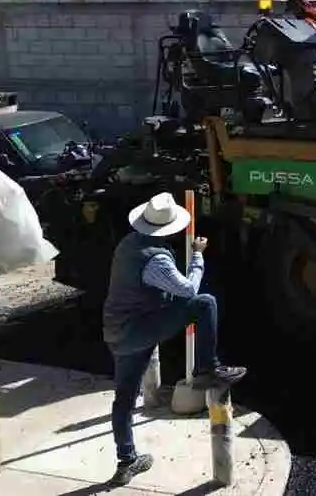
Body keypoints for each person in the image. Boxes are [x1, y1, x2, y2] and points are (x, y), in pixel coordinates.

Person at [103, 192, 247, 486]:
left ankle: (126, 461)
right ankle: (208, 368)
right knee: (205, 303)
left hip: (117, 332)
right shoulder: (156, 260)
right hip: (139, 330)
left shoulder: (128, 244)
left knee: (124, 399)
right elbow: (188, 290)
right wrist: (197, 255)